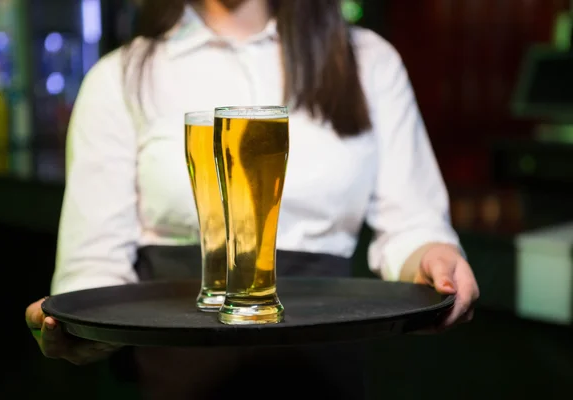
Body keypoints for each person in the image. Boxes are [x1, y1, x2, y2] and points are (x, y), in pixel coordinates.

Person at [26, 0, 480, 398]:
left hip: (326, 362)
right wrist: (79, 323)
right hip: (174, 372)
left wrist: (434, 258)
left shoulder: (369, 61)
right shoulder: (119, 76)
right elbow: (94, 262)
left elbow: (412, 223)